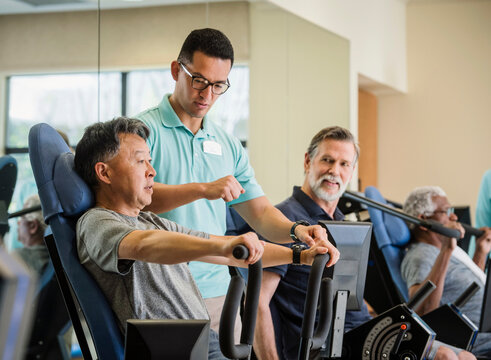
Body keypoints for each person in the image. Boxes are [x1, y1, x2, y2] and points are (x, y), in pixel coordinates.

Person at [73, 117, 337, 359]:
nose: (151, 171)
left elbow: (225, 252)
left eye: (150, 161)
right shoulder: (97, 222)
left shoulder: (149, 221)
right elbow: (144, 245)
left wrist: (299, 255)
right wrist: (225, 244)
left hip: (200, 341)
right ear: (104, 172)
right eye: (141, 161)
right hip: (169, 349)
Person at [135, 28, 336, 332]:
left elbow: (261, 214)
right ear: (177, 70)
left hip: (217, 293)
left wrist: (298, 230)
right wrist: (203, 189)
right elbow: (134, 201)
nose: (207, 94)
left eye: (218, 85)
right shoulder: (141, 132)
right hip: (162, 291)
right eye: (199, 80)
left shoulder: (227, 144)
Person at [248, 128, 474, 360]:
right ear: (308, 161)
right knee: (445, 357)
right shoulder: (284, 221)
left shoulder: (343, 223)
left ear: (352, 170)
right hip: (321, 345)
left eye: (344, 164)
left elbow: (347, 291)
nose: (334, 171)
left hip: (362, 333)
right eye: (327, 160)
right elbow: (256, 302)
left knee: (464, 356)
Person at [401, 186, 491, 358]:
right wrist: (446, 251)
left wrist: (481, 252)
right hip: (478, 341)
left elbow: (469, 285)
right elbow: (422, 313)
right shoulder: (420, 255)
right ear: (424, 221)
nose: (454, 217)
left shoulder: (445, 249)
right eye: (446, 211)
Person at [13, 194, 49, 276]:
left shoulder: (21, 257)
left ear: (33, 226)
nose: (18, 223)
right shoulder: (55, 255)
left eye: (21, 218)